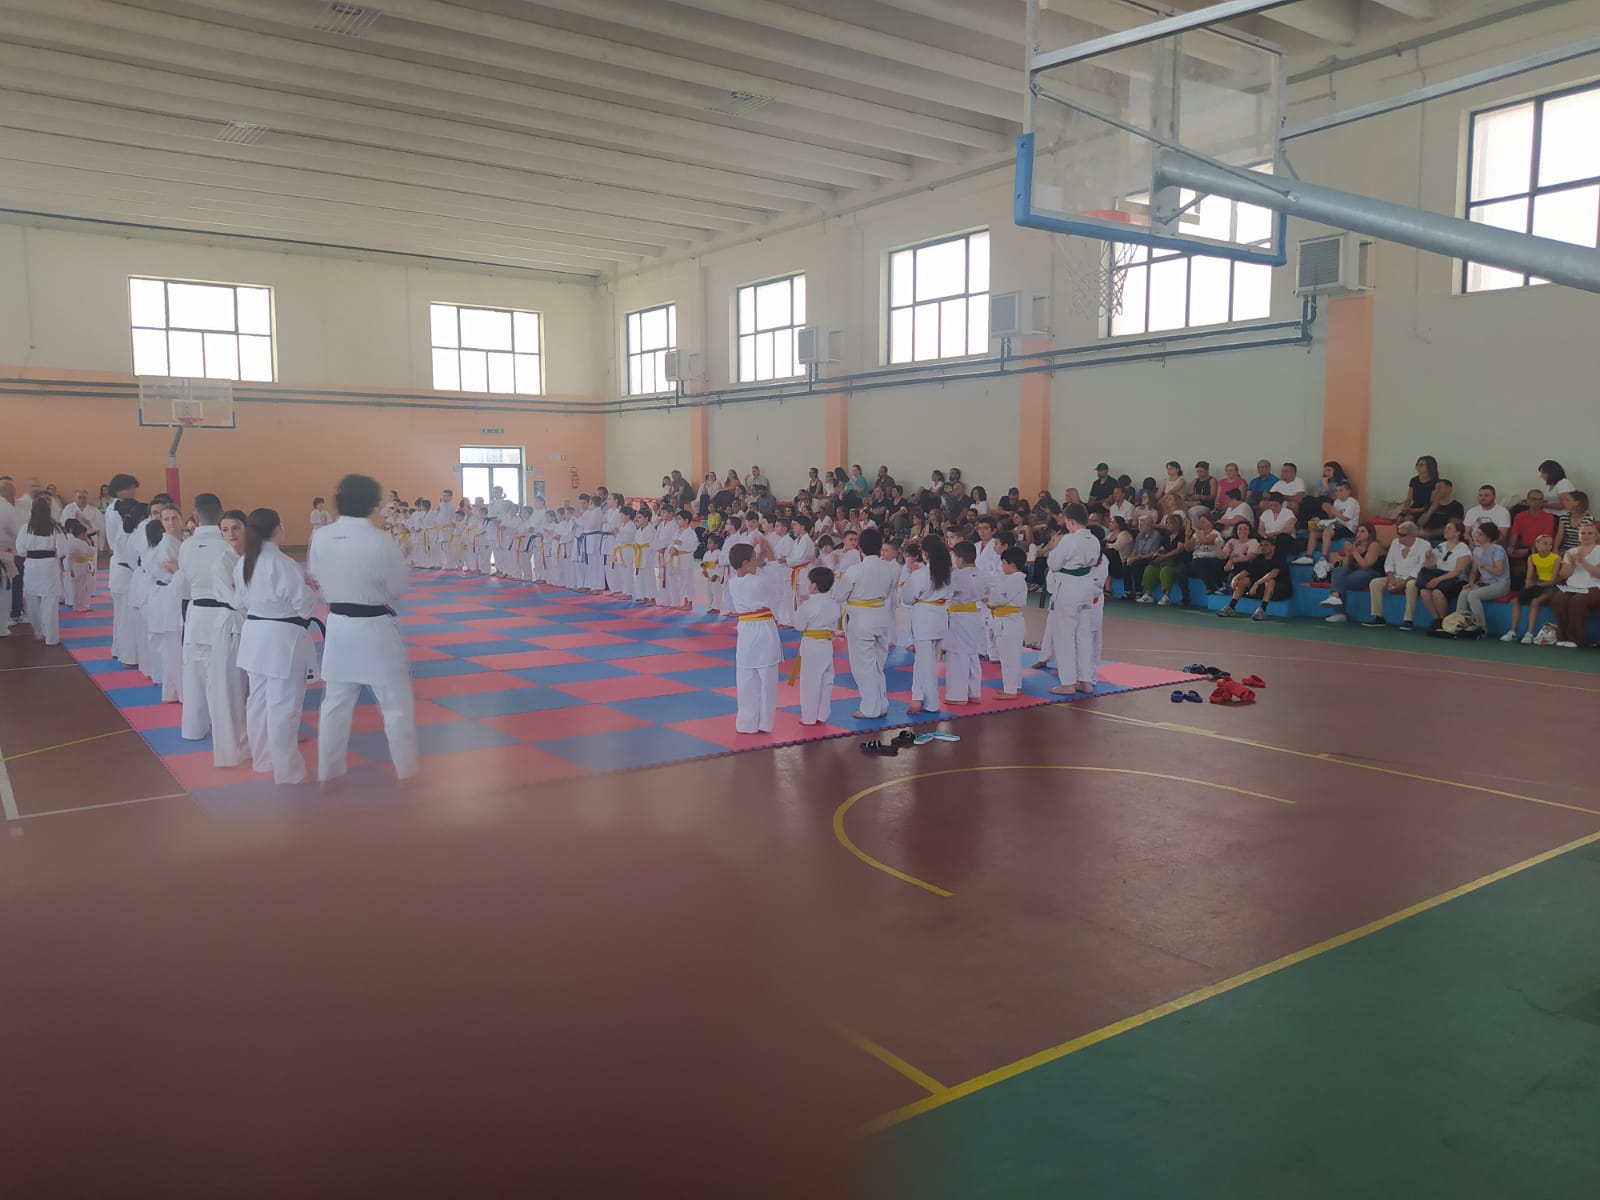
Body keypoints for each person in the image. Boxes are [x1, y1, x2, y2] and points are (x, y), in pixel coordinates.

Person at [310, 475, 418, 787]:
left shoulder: (321, 536)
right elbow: (398, 587)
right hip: (375, 626)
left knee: (335, 703)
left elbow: (316, 574)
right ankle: (407, 773)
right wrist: (401, 560)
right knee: (395, 704)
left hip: (338, 626)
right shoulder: (380, 540)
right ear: (373, 504)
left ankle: (328, 773)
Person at [236, 508, 321, 785]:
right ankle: (289, 772)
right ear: (277, 528)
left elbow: (240, 601)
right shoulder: (282, 562)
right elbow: (304, 606)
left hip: (254, 635)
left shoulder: (244, 561)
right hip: (282, 638)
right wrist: (312, 589)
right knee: (283, 706)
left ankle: (263, 761)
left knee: (258, 702)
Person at [834, 528, 900, 720]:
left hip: (861, 619)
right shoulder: (889, 569)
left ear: (860, 547)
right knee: (878, 664)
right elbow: (887, 593)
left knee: (864, 665)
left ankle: (870, 708)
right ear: (880, 548)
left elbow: (840, 595)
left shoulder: (856, 570)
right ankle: (882, 704)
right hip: (881, 616)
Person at [1044, 503, 1100, 696]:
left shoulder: (1070, 539)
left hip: (1069, 588)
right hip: (1086, 587)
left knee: (1064, 636)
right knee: (1083, 636)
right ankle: (1085, 680)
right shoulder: (1094, 539)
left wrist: (1054, 547)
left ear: (1070, 521)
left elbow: (1053, 564)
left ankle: (1068, 682)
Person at [726, 541, 779, 734]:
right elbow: (773, 583)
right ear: (746, 563)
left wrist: (760, 556)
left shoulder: (733, 582)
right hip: (764, 630)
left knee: (746, 678)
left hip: (746, 632)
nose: (757, 561)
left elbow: (753, 573)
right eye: (754, 559)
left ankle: (746, 723)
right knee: (767, 680)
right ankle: (765, 723)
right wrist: (769, 554)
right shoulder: (759, 581)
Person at [904, 536, 951, 716]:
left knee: (926, 664)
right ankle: (917, 697)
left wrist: (911, 576)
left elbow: (907, 598)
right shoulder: (947, 574)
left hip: (924, 619)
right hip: (940, 618)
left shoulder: (921, 574)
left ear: (925, 554)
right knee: (924, 662)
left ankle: (932, 703)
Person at [145, 507, 187, 703]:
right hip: (168, 596)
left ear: (181, 519)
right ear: (161, 522)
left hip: (173, 596)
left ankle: (172, 690)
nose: (171, 523)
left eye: (174, 518)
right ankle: (180, 691)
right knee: (173, 647)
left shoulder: (181, 542)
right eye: (166, 519)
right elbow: (174, 573)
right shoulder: (167, 544)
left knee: (173, 647)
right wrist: (182, 569)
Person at [14, 496, 66, 645]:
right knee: (50, 603)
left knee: (33, 600)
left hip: (31, 565)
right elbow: (62, 549)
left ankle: (39, 631)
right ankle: (51, 638)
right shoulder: (55, 528)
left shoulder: (26, 528)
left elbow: (20, 549)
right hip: (49, 565)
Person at [791, 566, 839, 727]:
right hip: (827, 644)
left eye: (809, 582)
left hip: (812, 644)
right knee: (826, 680)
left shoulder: (809, 605)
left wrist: (801, 606)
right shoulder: (833, 604)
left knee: (810, 682)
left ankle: (809, 717)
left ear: (815, 586)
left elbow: (798, 625)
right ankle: (822, 715)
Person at [1363, 521, 1428, 630]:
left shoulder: (1424, 545)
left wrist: (1404, 582)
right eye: (1398, 534)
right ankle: (1379, 617)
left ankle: (1408, 620)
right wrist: (1391, 578)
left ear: (1412, 535)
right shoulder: (1395, 542)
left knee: (1411, 585)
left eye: (1402, 535)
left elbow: (1420, 568)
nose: (1399, 537)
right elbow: (1388, 563)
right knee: (1375, 583)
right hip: (1396, 576)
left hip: (1413, 578)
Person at [1501, 533, 1560, 644]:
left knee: (1535, 602)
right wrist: (1528, 584)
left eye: (1550, 544)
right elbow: (1529, 576)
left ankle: (1529, 633)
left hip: (1551, 587)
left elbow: (1553, 580)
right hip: (1537, 584)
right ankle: (1513, 631)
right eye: (1545, 543)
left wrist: (1537, 584)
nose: (1548, 546)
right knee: (1516, 601)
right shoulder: (1532, 558)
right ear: (1537, 544)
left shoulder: (1556, 558)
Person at [944, 541, 983, 705]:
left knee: (957, 653)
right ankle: (974, 693)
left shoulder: (957, 576)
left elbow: (947, 593)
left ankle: (957, 695)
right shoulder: (981, 573)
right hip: (975, 615)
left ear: (960, 559)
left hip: (960, 616)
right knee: (972, 652)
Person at [1321, 523, 1384, 623]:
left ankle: (1339, 611)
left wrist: (1354, 551)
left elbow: (1366, 565)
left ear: (1370, 534)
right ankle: (1335, 597)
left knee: (1341, 581)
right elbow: (1346, 566)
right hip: (1356, 571)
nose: (1359, 534)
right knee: (1338, 570)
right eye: (1358, 531)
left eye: (1362, 531)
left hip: (1372, 572)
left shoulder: (1374, 545)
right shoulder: (1356, 544)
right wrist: (1348, 554)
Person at [1551, 524, 1600, 648]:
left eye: (1590, 533)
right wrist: (1572, 565)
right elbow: (1563, 574)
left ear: (1596, 536)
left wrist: (1583, 562)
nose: (1586, 536)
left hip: (1594, 587)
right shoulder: (1571, 552)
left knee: (1577, 601)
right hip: (1572, 586)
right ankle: (1562, 637)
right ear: (1578, 536)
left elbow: (1598, 574)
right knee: (1558, 599)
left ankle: (1575, 639)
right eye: (1583, 533)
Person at [988, 547, 1028, 696]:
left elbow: (1000, 599)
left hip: (1009, 622)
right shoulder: (1015, 579)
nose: (1002, 566)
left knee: (1008, 659)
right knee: (1013, 658)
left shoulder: (1014, 580)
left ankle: (1010, 690)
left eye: (1004, 563)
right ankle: (1015, 686)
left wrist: (989, 600)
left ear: (1012, 565)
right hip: (1012, 622)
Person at [1457, 521, 1510, 630]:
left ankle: (1480, 627)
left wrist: (1482, 565)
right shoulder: (1477, 550)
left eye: (1480, 534)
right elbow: (1474, 572)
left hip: (1500, 584)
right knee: (1464, 593)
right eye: (1477, 533)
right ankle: (1460, 623)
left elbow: (1499, 571)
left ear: (1488, 537)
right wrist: (1471, 583)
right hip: (1484, 582)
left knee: (1473, 595)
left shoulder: (1497, 550)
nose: (1477, 536)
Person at [1508, 490, 1558, 574]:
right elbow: (1514, 536)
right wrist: (1511, 547)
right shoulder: (1519, 516)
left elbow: (1545, 541)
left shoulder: (1549, 518)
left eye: (1540, 499)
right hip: (1522, 547)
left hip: (1539, 549)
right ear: (1527, 501)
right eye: (1534, 499)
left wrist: (1528, 551)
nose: (1537, 502)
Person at [1312, 479, 1360, 562]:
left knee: (1327, 531)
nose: (1338, 493)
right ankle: (1308, 555)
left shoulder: (1352, 502)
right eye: (1336, 490)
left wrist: (1332, 510)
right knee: (1313, 526)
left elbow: (1345, 518)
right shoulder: (1337, 501)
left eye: (1341, 490)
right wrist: (1327, 510)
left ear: (1348, 491)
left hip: (1347, 527)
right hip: (1336, 524)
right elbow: (1332, 517)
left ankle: (1323, 557)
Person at [61, 519, 95, 613]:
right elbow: (91, 552)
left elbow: (68, 555)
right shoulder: (81, 543)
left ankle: (76, 605)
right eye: (85, 534)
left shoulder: (70, 542)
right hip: (81, 566)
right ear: (82, 534)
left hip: (73, 566)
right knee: (82, 588)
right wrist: (88, 542)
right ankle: (81, 606)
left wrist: (70, 569)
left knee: (76, 587)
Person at [1398, 456, 1439, 524]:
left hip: (1426, 509)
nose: (1418, 467)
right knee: (1399, 518)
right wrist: (1406, 508)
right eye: (1417, 464)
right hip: (1414, 507)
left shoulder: (1435, 482)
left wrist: (1419, 510)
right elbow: (1409, 498)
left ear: (1430, 466)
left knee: (1408, 519)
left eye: (1421, 465)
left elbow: (1432, 502)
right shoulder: (1414, 480)